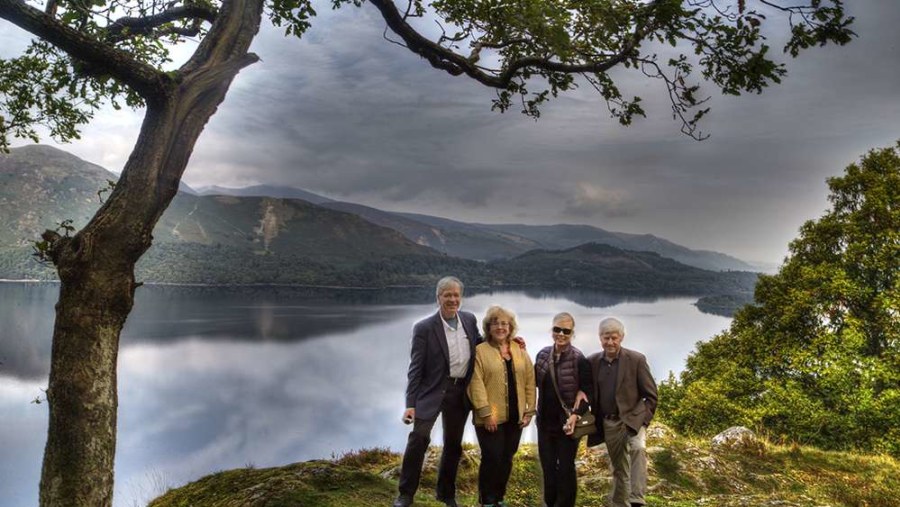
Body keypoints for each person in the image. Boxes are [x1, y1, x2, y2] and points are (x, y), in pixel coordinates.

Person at [394, 277, 481, 507]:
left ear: (460, 298)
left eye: (456, 295)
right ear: (438, 298)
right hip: (431, 392)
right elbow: (415, 368)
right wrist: (410, 403)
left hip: (459, 392)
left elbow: (481, 345)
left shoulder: (470, 320)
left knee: (453, 445)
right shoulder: (424, 327)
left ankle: (446, 494)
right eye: (447, 295)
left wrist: (510, 342)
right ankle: (405, 494)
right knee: (418, 440)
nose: (452, 299)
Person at [467, 306, 536, 507]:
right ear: (488, 327)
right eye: (495, 323)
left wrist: (529, 411)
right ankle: (486, 500)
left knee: (507, 457)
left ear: (511, 327)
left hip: (516, 416)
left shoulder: (519, 349)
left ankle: (499, 497)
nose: (500, 327)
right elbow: (475, 383)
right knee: (492, 457)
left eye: (504, 323)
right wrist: (487, 414)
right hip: (491, 417)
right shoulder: (480, 351)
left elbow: (529, 381)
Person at [586, 317, 658, 507]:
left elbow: (651, 396)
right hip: (609, 422)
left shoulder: (636, 360)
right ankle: (619, 503)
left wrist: (644, 422)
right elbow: (584, 392)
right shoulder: (592, 362)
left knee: (638, 449)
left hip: (633, 419)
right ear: (600, 337)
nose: (610, 342)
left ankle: (637, 500)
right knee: (619, 468)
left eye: (614, 338)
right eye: (606, 337)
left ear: (622, 338)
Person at [534, 312, 592, 507]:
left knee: (566, 468)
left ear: (572, 333)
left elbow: (586, 394)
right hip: (544, 423)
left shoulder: (579, 359)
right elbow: (532, 381)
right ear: (552, 330)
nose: (561, 334)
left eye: (566, 331)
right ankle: (550, 503)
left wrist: (576, 415)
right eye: (557, 329)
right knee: (548, 467)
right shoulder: (542, 355)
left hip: (568, 424)